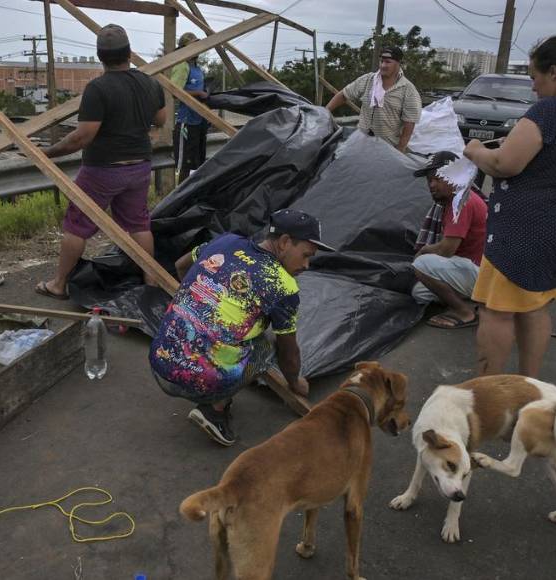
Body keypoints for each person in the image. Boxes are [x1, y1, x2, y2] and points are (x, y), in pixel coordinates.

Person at [463, 32, 556, 377]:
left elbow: (504, 164)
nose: (533, 87)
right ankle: (528, 388)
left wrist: (475, 151)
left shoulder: (553, 109)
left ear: (555, 71)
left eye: (534, 78)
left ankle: (491, 394)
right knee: (535, 308)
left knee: (495, 312)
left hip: (525, 234)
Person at [149, 209, 336, 446]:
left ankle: (211, 385)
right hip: (193, 384)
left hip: (159, 360)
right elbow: (288, 354)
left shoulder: (226, 242)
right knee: (265, 347)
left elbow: (181, 264)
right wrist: (295, 383)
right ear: (285, 242)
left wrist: (193, 297)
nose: (307, 264)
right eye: (306, 255)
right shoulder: (282, 286)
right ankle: (214, 409)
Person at [35, 24, 168, 299]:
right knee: (139, 224)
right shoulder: (150, 82)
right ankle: (152, 282)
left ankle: (59, 284)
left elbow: (82, 137)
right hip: (140, 166)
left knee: (77, 224)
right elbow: (160, 120)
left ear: (100, 57)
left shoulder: (98, 88)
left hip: (103, 170)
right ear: (130, 53)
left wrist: (47, 152)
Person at [410, 151, 488, 329]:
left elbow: (447, 250)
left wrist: (423, 251)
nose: (432, 185)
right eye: (429, 180)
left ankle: (465, 313)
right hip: (473, 269)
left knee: (422, 264)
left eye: (437, 178)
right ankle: (473, 299)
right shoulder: (454, 201)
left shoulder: (461, 202)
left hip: (482, 272)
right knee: (420, 293)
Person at [326, 46, 422, 153]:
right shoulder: (368, 80)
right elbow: (343, 95)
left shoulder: (408, 90)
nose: (383, 65)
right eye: (381, 61)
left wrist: (400, 150)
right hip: (360, 141)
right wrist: (325, 112)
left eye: (388, 62)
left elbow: (409, 123)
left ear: (398, 64)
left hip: (386, 147)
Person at [170, 32, 209, 183]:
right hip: (186, 122)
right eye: (193, 45)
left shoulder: (197, 68)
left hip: (199, 120)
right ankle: (179, 196)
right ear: (184, 48)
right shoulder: (182, 65)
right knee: (184, 164)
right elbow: (175, 91)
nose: (197, 48)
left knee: (197, 163)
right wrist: (197, 93)